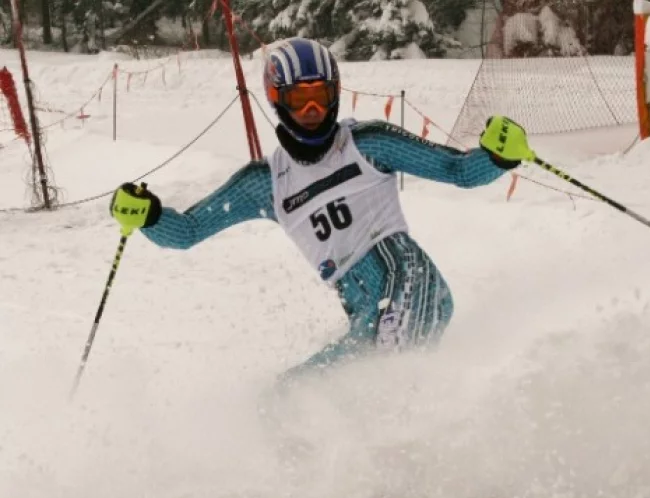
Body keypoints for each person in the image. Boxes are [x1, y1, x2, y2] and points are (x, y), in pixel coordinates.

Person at [109, 37, 536, 384]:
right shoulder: (266, 183)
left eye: (321, 97)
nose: (313, 111)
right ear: (278, 99)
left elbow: (458, 170)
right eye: (300, 100)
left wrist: (497, 156)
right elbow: (186, 232)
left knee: (389, 374)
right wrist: (146, 215)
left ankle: (421, 459)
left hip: (408, 280)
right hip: (365, 314)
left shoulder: (370, 143)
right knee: (290, 397)